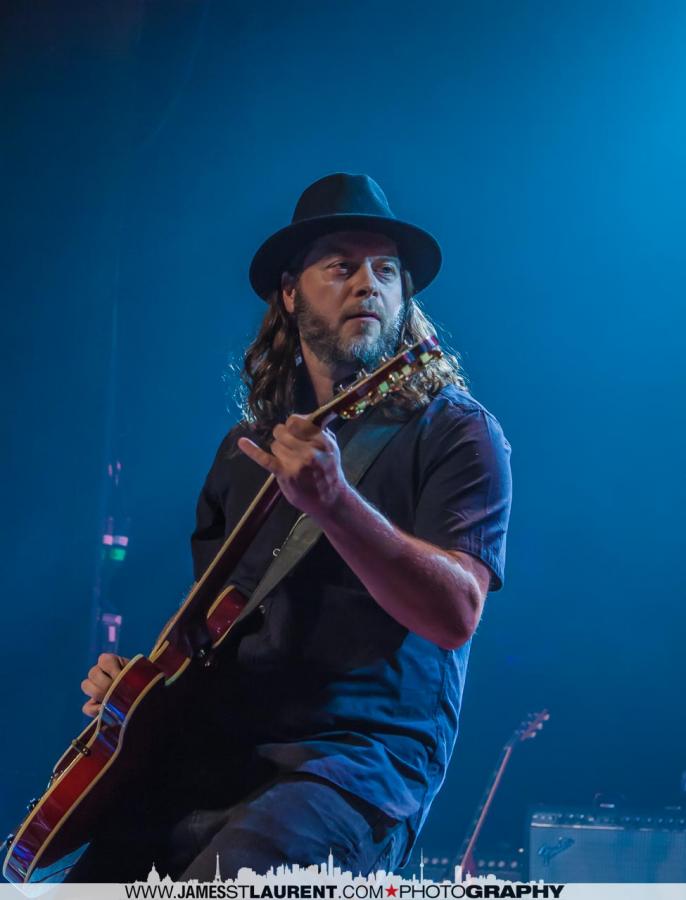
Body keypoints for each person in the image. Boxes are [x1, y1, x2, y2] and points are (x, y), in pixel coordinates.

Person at [79, 173, 512, 882]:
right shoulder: (244, 452)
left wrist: (334, 502)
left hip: (352, 767)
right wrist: (140, 692)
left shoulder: (456, 432)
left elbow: (455, 614)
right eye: (341, 266)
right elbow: (215, 639)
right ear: (289, 292)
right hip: (217, 760)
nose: (368, 284)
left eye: (386, 270)